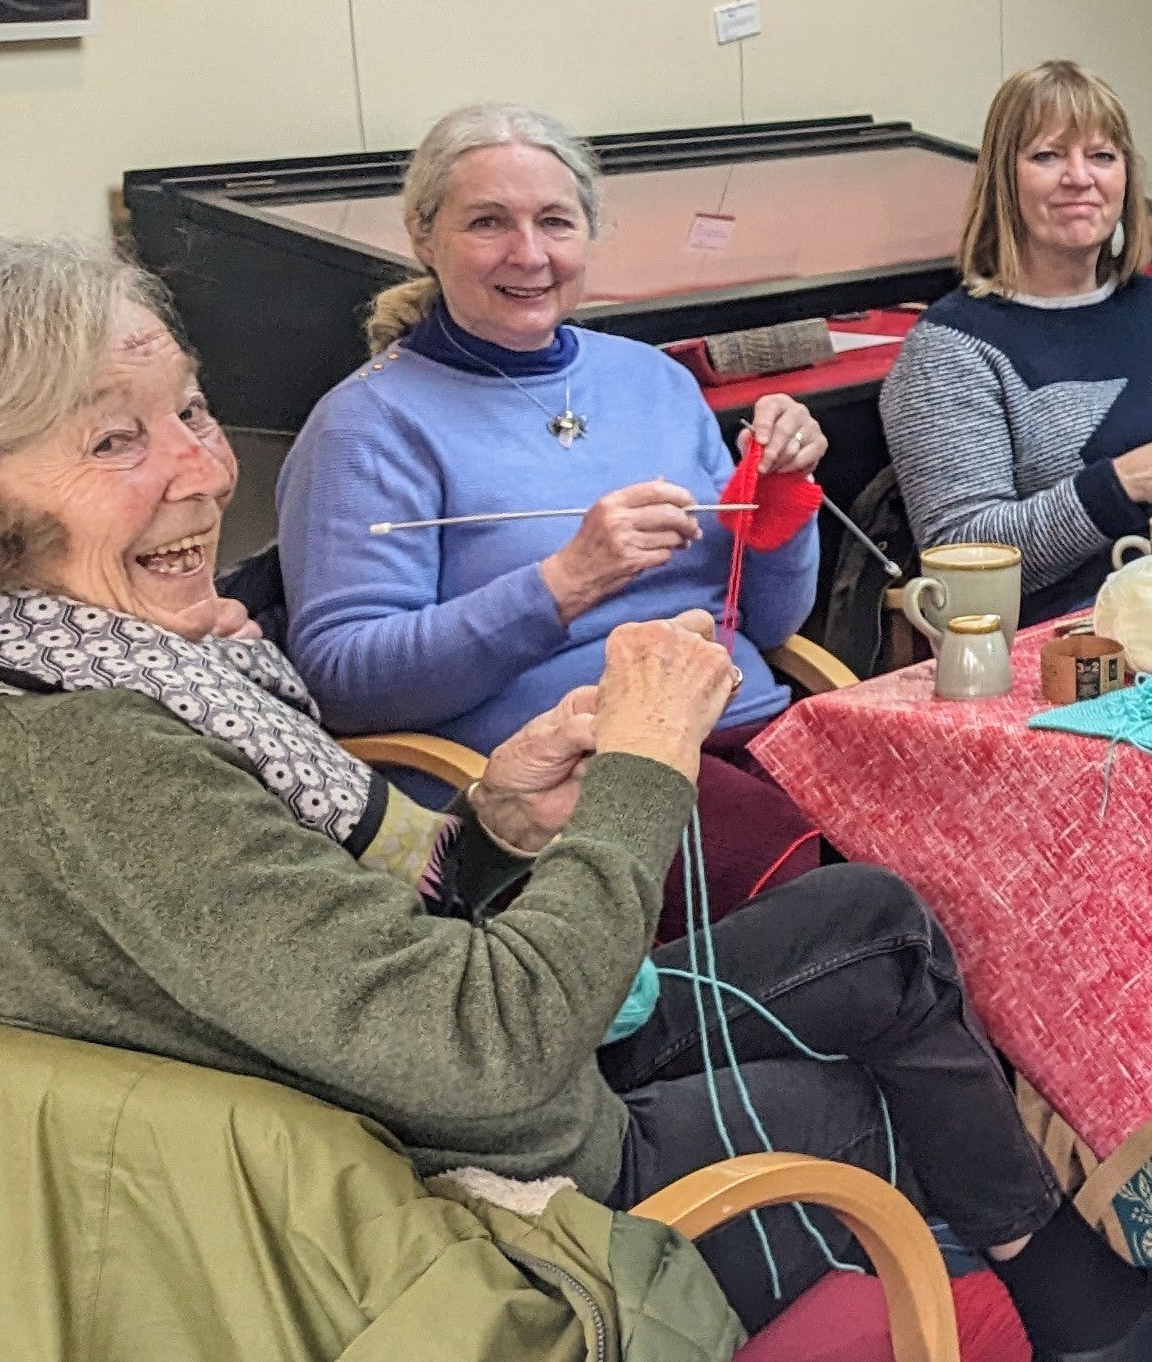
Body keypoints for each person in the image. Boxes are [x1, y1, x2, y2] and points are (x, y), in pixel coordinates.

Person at [0, 238, 1152, 1362]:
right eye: (116, 440)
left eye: (189, 409)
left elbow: (299, 932)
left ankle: (1066, 1351)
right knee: (862, 1097)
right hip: (449, 1198)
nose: (203, 467)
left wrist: (492, 829)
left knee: (886, 922)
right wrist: (629, 754)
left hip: (413, 1044)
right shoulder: (93, 750)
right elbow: (479, 1039)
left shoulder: (72, 684)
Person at [278, 105, 835, 924]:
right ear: (422, 236)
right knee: (844, 907)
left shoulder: (652, 379)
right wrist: (567, 581)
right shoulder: (368, 426)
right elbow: (343, 680)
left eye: (553, 222)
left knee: (949, 849)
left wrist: (781, 508)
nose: (529, 254)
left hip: (745, 729)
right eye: (488, 223)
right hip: (566, 779)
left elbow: (770, 617)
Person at [883, 60, 1152, 627]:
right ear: (1004, 181)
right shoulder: (950, 351)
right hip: (1072, 641)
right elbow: (964, 563)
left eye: (1101, 156)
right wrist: (1119, 485)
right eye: (1048, 156)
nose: (1080, 177)